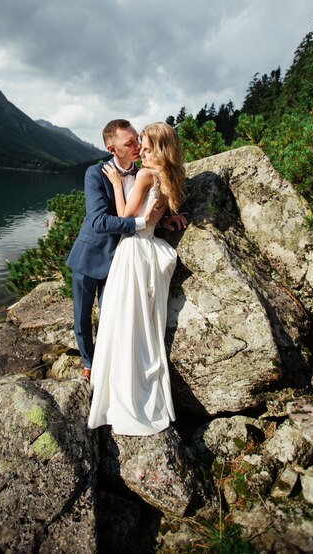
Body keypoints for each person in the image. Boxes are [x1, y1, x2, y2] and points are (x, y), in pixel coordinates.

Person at [66, 119, 186, 382]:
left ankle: (112, 368)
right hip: (90, 256)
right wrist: (143, 222)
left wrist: (162, 220)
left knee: (112, 315)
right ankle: (88, 363)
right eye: (129, 143)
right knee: (82, 316)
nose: (135, 146)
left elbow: (144, 204)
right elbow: (99, 221)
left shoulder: (145, 171)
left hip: (121, 260)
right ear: (112, 149)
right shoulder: (96, 173)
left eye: (136, 140)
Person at [88, 121, 186, 436]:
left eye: (144, 146)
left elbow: (124, 216)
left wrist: (117, 184)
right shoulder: (167, 175)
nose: (140, 151)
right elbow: (154, 212)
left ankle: (120, 393)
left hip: (133, 253)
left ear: (157, 148)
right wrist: (168, 220)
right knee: (144, 326)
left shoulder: (144, 174)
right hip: (150, 250)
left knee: (123, 322)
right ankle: (143, 385)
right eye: (138, 146)